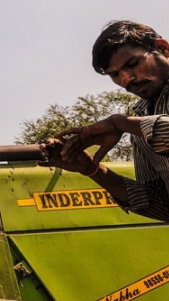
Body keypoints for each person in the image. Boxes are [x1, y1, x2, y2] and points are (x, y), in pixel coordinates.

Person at [44, 21, 169, 222]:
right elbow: (161, 204)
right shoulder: (140, 117)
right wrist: (94, 170)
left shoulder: (130, 124)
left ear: (162, 49)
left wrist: (119, 124)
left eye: (133, 64)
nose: (127, 79)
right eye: (115, 74)